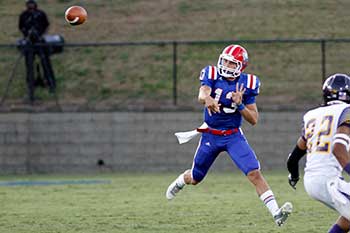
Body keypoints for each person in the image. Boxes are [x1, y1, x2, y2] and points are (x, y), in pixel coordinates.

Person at [166, 44, 293, 227]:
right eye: (224, 60)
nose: (226, 64)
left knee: (254, 173)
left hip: (233, 136)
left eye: (231, 63)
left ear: (241, 66)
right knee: (195, 178)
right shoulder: (211, 74)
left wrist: (240, 105)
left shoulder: (248, 84)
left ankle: (276, 213)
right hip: (210, 135)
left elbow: (254, 119)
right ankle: (180, 181)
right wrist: (207, 99)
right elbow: (203, 92)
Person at [287, 73, 350, 233]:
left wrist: (294, 176)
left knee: (347, 219)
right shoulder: (346, 111)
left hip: (312, 181)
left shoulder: (312, 115)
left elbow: (293, 159)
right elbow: (338, 149)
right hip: (330, 182)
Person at [18, 0, 56, 102]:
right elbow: (21, 27)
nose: (31, 6)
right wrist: (26, 35)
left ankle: (50, 83)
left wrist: (41, 35)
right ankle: (31, 84)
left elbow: (46, 25)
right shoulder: (23, 15)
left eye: (32, 4)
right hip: (29, 43)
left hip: (40, 41)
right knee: (29, 64)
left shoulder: (41, 14)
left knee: (45, 63)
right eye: (29, 4)